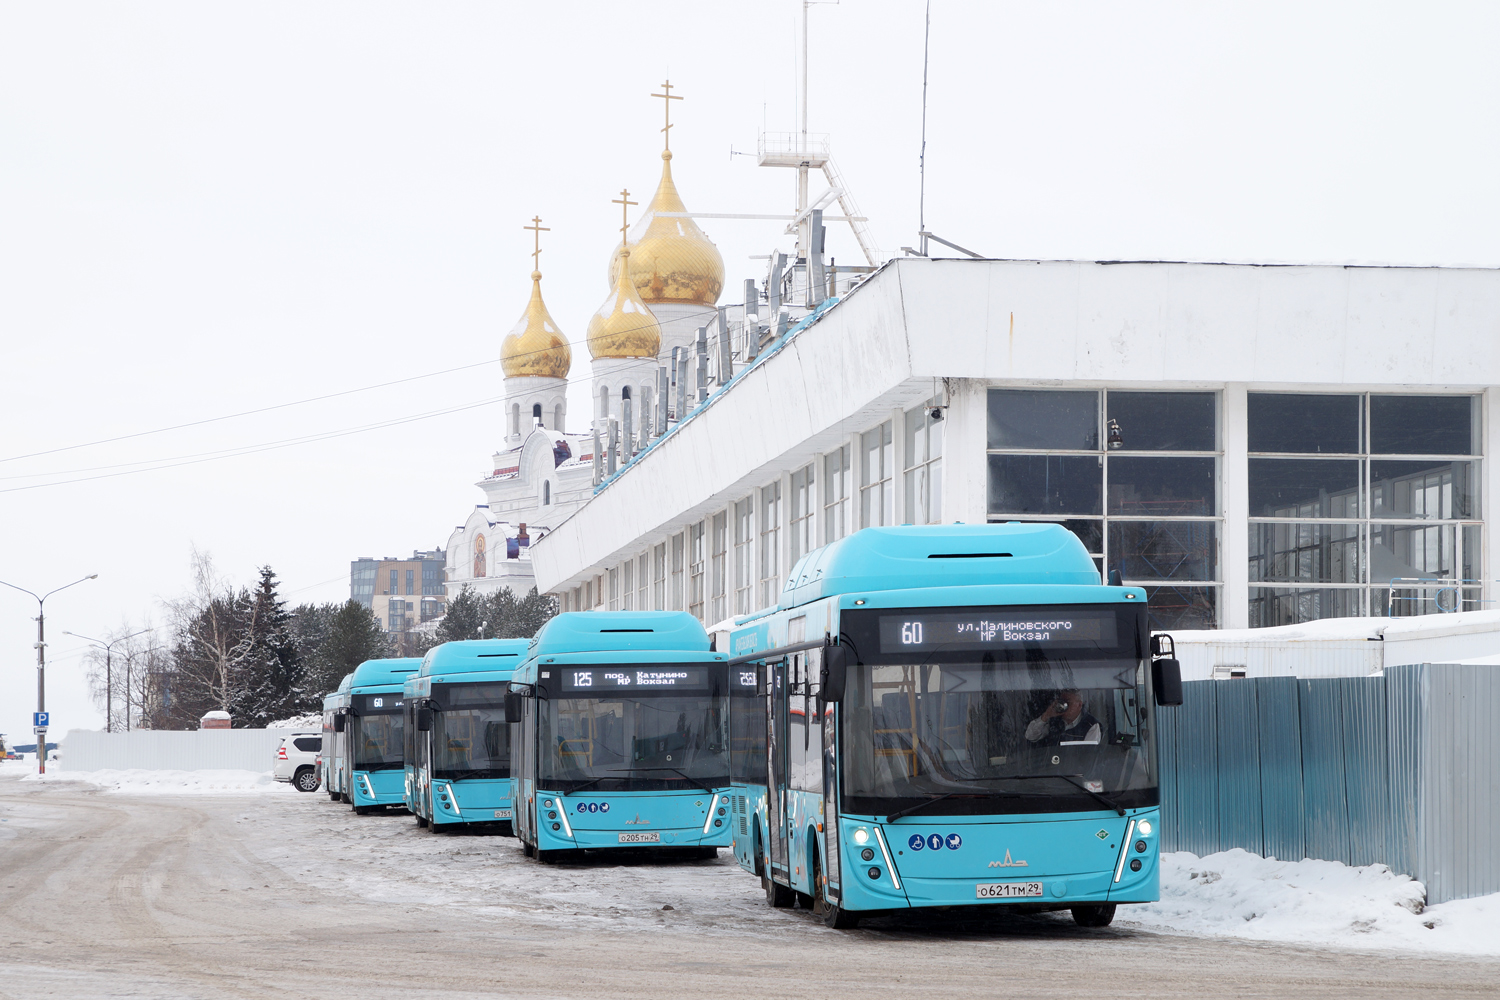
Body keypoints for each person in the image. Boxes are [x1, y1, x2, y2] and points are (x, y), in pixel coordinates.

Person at [1024, 689, 1101, 746]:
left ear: (1079, 705)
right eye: (1062, 702)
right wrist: (1046, 715)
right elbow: (1030, 736)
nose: (1064, 706)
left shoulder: (1091, 725)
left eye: (1068, 702)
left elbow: (1089, 752)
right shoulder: (1054, 721)